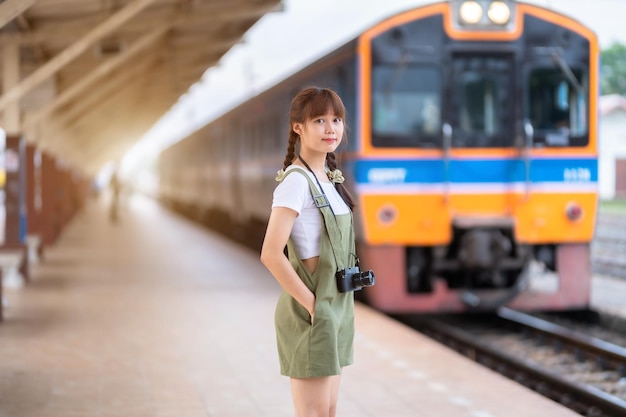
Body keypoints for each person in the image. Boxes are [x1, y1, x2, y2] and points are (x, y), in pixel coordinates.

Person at [260, 87, 357, 417]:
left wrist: (330, 309)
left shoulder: (328, 179)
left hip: (338, 307)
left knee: (328, 412)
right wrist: (314, 306)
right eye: (319, 120)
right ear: (297, 127)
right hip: (313, 310)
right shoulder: (295, 182)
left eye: (336, 120)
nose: (331, 128)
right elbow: (271, 254)